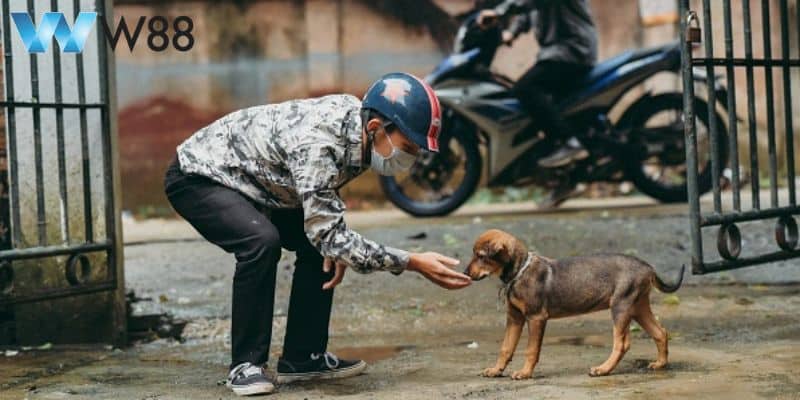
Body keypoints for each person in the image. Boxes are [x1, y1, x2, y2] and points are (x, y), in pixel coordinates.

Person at [164, 72, 472, 396]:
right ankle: (246, 365)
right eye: (407, 147)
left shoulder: (361, 131)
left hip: (258, 184)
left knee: (322, 247)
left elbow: (325, 223)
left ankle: (303, 357)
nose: (410, 159)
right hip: (198, 177)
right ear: (375, 128)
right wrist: (412, 261)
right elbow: (329, 232)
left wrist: (333, 242)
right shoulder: (320, 142)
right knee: (261, 241)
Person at [477, 0, 598, 171]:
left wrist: (500, 12)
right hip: (559, 53)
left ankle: (569, 142)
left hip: (572, 50)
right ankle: (569, 176)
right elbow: (530, 12)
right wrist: (511, 33)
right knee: (547, 111)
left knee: (524, 89)